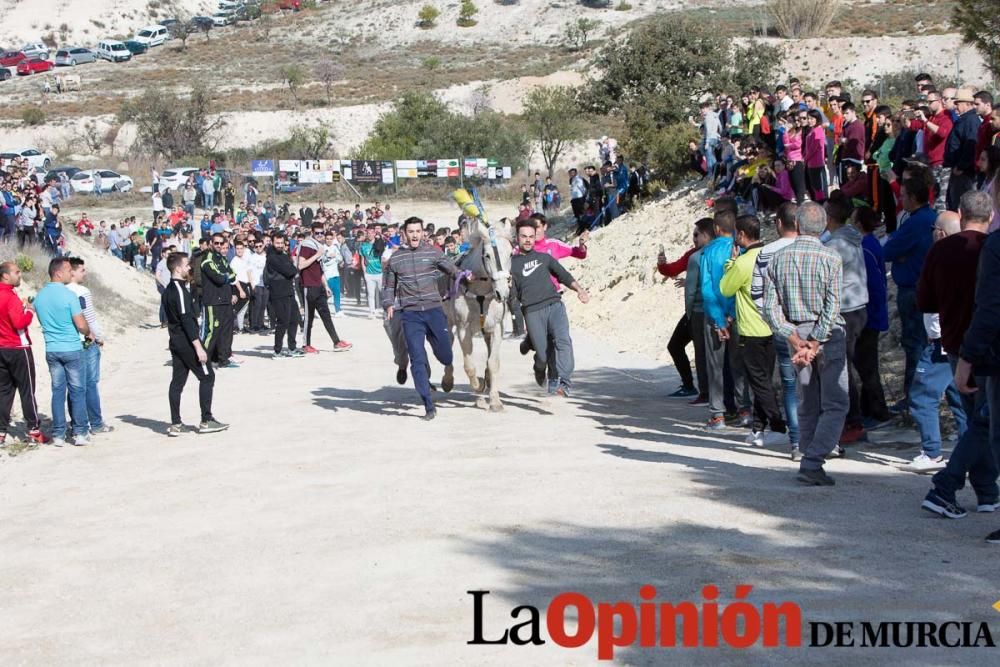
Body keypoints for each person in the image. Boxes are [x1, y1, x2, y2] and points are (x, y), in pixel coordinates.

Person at [763, 202, 847, 486]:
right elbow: (832, 306)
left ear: (797, 225)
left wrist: (795, 339)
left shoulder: (778, 259)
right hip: (826, 338)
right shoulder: (831, 258)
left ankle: (807, 457)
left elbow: (771, 309)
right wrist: (814, 342)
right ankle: (813, 460)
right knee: (836, 402)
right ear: (823, 226)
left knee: (807, 400)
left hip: (796, 336)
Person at [936, 207, 1000, 538]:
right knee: (983, 423)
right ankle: (985, 492)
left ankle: (949, 483)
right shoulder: (989, 246)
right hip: (978, 346)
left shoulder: (993, 248)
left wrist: (968, 356)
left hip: (974, 347)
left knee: (982, 423)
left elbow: (990, 308)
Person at [382, 217, 460, 420]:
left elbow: (453, 270)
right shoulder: (396, 259)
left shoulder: (433, 252)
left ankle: (441, 358)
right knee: (416, 357)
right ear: (404, 234)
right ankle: (427, 403)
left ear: (423, 232)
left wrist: (465, 276)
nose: (415, 235)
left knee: (446, 356)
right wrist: (389, 303)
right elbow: (389, 286)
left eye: (418, 231)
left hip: (434, 310)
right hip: (411, 313)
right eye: (411, 231)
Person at [720, 214, 786, 448]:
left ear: (742, 235)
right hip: (773, 325)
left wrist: (730, 263)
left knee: (759, 382)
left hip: (751, 329)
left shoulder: (744, 262)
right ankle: (758, 428)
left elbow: (726, 288)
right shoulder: (770, 254)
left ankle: (779, 425)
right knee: (764, 380)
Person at [511, 219, 590, 396]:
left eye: (531, 236)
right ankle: (539, 366)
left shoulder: (544, 257)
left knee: (563, 340)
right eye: (524, 236)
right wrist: (519, 321)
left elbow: (563, 275)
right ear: (517, 238)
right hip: (532, 311)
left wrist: (580, 290)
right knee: (543, 356)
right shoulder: (511, 265)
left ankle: (565, 382)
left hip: (554, 305)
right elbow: (513, 298)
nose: (528, 240)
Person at [751, 202, 801, 459]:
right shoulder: (813, 248)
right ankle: (824, 439)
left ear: (779, 223)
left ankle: (796, 443)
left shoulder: (767, 252)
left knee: (790, 385)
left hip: (782, 329)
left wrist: (773, 321)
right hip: (812, 327)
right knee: (816, 385)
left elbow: (756, 294)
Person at [883, 178, 936, 410]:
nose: (900, 199)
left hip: (913, 289)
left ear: (913, 197)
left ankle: (914, 397)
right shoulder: (930, 218)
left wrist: (899, 254)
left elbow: (888, 250)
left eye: (903, 195)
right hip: (922, 286)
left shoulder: (916, 223)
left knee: (914, 344)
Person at [161, 253, 227, 436]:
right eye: (186, 265)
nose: (189, 268)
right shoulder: (178, 290)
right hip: (186, 342)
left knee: (177, 382)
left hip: (176, 341)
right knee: (207, 376)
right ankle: (206, 420)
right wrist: (198, 347)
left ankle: (176, 424)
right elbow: (186, 321)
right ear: (177, 268)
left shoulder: (170, 289)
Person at [822, 196, 868, 445]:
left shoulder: (836, 245)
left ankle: (853, 421)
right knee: (850, 366)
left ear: (829, 217)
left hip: (846, 311)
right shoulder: (850, 235)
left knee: (841, 368)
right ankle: (856, 417)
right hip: (858, 307)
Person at [701, 206, 751, 430]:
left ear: (716, 228)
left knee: (715, 366)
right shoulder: (739, 250)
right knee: (739, 365)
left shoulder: (708, 252)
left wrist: (719, 320)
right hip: (738, 315)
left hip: (714, 317)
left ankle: (717, 415)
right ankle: (744, 411)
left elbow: (707, 288)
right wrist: (731, 315)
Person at [32, 257, 92, 447]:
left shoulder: (40, 296)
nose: (70, 273)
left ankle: (58, 433)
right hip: (71, 348)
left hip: (52, 348)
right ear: (58, 272)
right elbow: (81, 324)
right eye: (67, 270)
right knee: (77, 391)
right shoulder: (68, 296)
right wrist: (88, 332)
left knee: (57, 391)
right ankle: (80, 432)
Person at [851, 207, 892, 428]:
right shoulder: (870, 244)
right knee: (865, 364)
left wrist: (867, 310)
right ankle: (870, 408)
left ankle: (878, 412)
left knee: (867, 366)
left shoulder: (865, 247)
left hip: (868, 315)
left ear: (859, 224)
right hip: (871, 313)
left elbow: (874, 285)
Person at [0, 261, 47, 445]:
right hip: (18, 349)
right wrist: (28, 310)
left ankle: (1, 431)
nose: (20, 275)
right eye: (16, 272)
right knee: (27, 391)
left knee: (4, 391)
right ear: (5, 275)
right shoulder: (9, 296)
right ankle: (34, 430)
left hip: (2, 348)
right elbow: (19, 323)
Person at [66, 258, 113, 436]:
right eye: (82, 270)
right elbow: (89, 317)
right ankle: (96, 423)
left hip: (69, 342)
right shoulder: (81, 291)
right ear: (73, 271)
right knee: (90, 383)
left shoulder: (61, 291)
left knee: (73, 385)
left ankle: (77, 423)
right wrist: (99, 336)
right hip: (85, 339)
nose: (85, 273)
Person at [659, 223, 704, 399]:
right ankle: (690, 385)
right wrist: (662, 264)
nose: (694, 239)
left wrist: (692, 282)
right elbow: (672, 269)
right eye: (693, 235)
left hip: (707, 309)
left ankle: (707, 393)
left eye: (697, 235)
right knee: (676, 345)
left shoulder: (716, 253)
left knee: (704, 354)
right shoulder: (692, 254)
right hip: (694, 310)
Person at [297, 223, 352, 353]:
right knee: (309, 318)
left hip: (319, 286)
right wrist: (317, 255)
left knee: (326, 315)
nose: (320, 235)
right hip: (308, 286)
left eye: (322, 233)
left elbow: (319, 269)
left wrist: (325, 285)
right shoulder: (307, 245)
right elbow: (300, 265)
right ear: (312, 232)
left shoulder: (318, 246)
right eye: (317, 233)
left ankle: (336, 342)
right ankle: (306, 345)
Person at [201, 234, 243, 369]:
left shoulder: (222, 259)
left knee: (227, 331)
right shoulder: (207, 258)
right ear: (211, 243)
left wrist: (225, 276)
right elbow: (217, 277)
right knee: (212, 331)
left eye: (221, 243)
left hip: (225, 300)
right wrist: (225, 276)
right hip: (213, 301)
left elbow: (232, 275)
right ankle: (203, 361)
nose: (219, 246)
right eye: (216, 243)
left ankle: (223, 359)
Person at [265, 233, 303, 359]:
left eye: (282, 243)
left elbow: (292, 269)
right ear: (272, 242)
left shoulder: (284, 255)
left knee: (294, 319)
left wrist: (292, 269)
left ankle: (292, 348)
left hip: (289, 291)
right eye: (277, 243)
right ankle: (277, 351)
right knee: (283, 321)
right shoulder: (271, 257)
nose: (280, 245)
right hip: (278, 292)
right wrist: (291, 270)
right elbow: (290, 271)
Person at [944, 88, 982, 211]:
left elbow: (971, 145)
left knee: (961, 206)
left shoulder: (970, 121)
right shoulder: (964, 120)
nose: (955, 106)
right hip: (958, 170)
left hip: (963, 173)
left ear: (968, 104)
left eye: (958, 103)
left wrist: (961, 166)